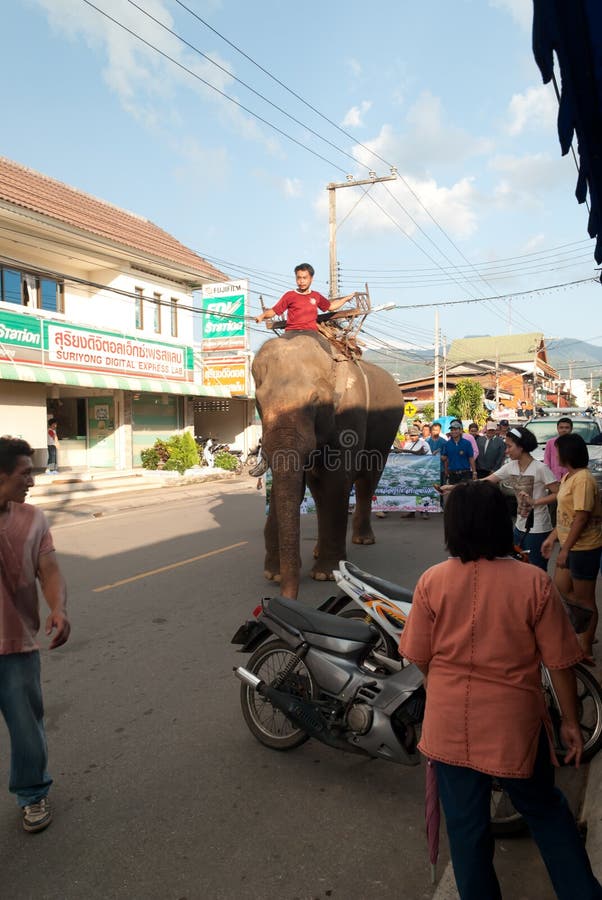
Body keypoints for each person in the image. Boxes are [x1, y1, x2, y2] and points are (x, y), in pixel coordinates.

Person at [399, 480, 601, 900]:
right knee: (546, 812)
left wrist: (439, 683)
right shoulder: (532, 583)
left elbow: (418, 653)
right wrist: (570, 722)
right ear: (503, 523)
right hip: (514, 726)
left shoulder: (432, 580)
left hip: (449, 724)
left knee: (468, 830)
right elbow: (560, 662)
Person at [0, 436, 70, 833]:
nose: (32, 480)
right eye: (25, 473)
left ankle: (32, 794)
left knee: (27, 729)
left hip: (17, 646)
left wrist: (59, 608)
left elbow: (51, 572)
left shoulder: (33, 519)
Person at [541, 433, 602, 663]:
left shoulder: (583, 479)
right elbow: (565, 516)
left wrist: (565, 549)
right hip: (570, 545)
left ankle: (586, 646)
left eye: (557, 451)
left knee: (585, 600)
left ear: (567, 454)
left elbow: (581, 517)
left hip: (584, 547)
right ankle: (583, 632)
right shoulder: (568, 477)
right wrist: (552, 538)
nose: (554, 454)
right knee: (563, 590)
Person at [485, 426, 558, 571]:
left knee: (536, 570)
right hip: (519, 527)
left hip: (538, 528)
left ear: (521, 447)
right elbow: (486, 480)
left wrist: (535, 502)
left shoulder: (540, 468)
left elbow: (558, 493)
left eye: (509, 446)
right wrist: (454, 487)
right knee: (518, 567)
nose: (506, 451)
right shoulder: (510, 466)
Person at [254, 263, 354, 333]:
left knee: (327, 350)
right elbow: (274, 311)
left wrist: (345, 299)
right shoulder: (289, 295)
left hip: (311, 333)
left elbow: (331, 306)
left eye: (304, 278)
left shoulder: (316, 296)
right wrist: (262, 316)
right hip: (291, 332)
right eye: (299, 278)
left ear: (311, 279)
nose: (301, 281)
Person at [440, 419, 476, 484]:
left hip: (465, 474)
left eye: (456, 429)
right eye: (452, 430)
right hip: (452, 474)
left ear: (460, 430)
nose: (453, 431)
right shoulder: (447, 444)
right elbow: (446, 459)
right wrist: (446, 471)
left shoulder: (467, 443)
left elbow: (471, 458)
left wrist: (474, 472)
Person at [544, 416, 573, 482]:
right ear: (557, 428)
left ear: (571, 429)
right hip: (554, 479)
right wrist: (548, 477)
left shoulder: (575, 443)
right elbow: (547, 460)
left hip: (570, 478)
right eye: (561, 427)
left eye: (567, 428)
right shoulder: (550, 443)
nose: (564, 430)